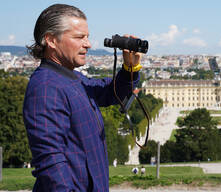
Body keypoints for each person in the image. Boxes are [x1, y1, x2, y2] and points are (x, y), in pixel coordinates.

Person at [23, 4, 142, 191]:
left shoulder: (70, 78)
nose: (88, 44)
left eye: (87, 37)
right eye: (79, 37)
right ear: (51, 40)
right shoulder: (46, 87)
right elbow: (51, 163)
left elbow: (111, 92)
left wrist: (130, 69)